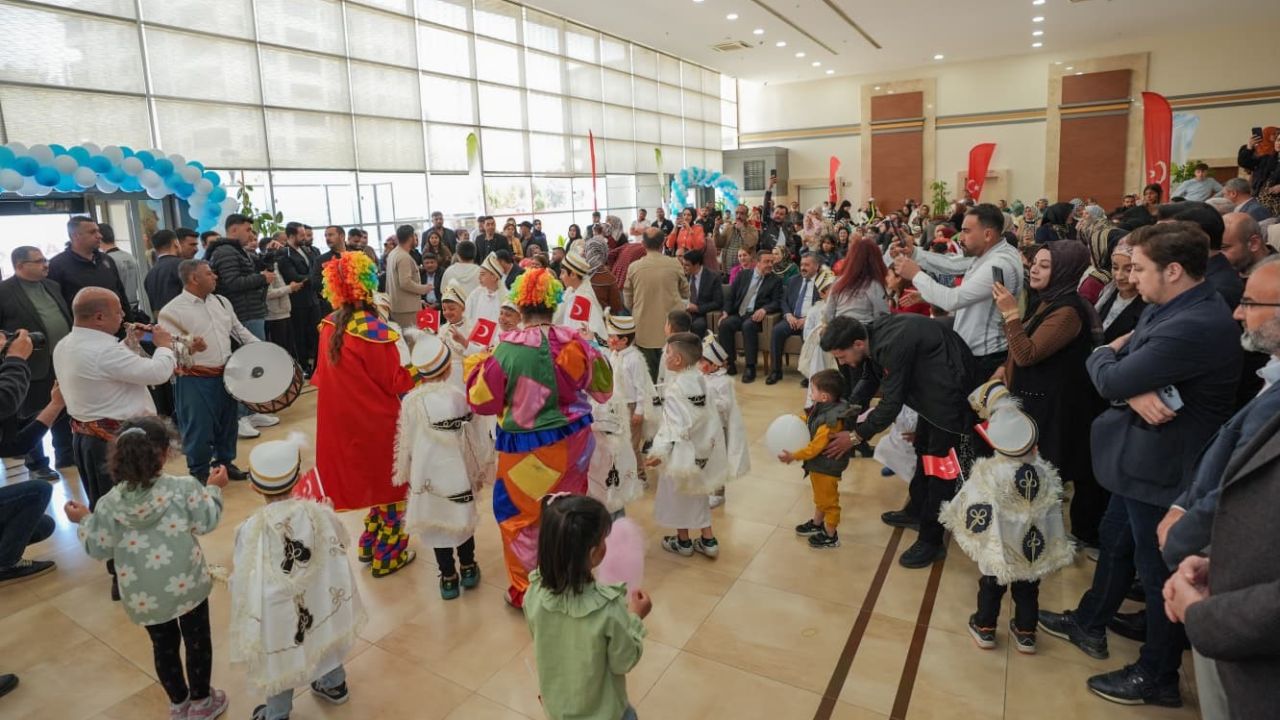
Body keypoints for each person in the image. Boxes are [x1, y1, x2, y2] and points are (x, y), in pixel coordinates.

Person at [1038, 222, 1242, 708]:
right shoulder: (1169, 306)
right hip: (1138, 461)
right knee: (1115, 542)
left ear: (1174, 270)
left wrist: (1112, 361)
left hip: (1162, 468)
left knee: (1156, 572)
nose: (1132, 276)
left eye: (1141, 268)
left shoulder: (1192, 324)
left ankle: (1158, 674)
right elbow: (1127, 363)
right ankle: (1091, 620)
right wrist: (1129, 377)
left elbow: (1107, 372)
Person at [1156, 256, 1280, 719]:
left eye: (1251, 302)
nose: (1237, 312)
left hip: (1244, 633)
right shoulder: (1271, 376)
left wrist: (1207, 614)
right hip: (1224, 579)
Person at [63, 416, 229, 720]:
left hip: (145, 594)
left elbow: (99, 547)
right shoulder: (183, 488)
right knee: (197, 641)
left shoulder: (109, 504)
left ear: (119, 457)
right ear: (165, 454)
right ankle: (203, 702)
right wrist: (214, 490)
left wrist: (84, 520)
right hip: (189, 584)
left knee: (163, 647)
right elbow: (206, 521)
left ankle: (179, 704)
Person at [465, 268, 613, 608]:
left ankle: (528, 590)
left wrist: (475, 362)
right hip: (574, 444)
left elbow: (481, 398)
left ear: (519, 305)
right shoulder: (574, 341)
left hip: (526, 451)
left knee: (520, 517)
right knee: (569, 512)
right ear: (553, 303)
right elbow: (604, 387)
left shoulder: (507, 350)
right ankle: (573, 577)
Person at [820, 314, 977, 568]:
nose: (843, 363)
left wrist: (856, 436)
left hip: (948, 398)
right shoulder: (871, 335)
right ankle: (915, 510)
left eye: (841, 356)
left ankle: (931, 541)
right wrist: (849, 411)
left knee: (939, 471)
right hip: (930, 395)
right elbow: (869, 378)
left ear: (858, 344)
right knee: (922, 451)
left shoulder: (891, 344)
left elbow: (890, 403)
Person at [54, 287, 177, 599]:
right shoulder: (103, 351)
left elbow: (107, 373)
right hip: (114, 443)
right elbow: (158, 373)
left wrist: (128, 344)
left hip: (86, 438)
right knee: (130, 508)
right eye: (118, 312)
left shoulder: (66, 344)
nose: (124, 317)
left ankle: (118, 574)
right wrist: (163, 346)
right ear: (98, 317)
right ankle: (134, 573)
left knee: (104, 505)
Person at [231, 434, 362, 720]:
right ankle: (334, 684)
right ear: (299, 477)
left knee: (281, 656)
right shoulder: (317, 513)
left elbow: (244, 574)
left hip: (278, 611)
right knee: (324, 634)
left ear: (253, 486)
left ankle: (277, 712)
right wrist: (327, 510)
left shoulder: (250, 529)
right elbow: (342, 541)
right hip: (318, 596)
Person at [940, 380, 1074, 654]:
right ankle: (1026, 633)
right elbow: (1053, 512)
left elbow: (969, 505)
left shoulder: (989, 472)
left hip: (1001, 546)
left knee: (992, 585)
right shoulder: (1045, 473)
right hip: (1031, 547)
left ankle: (985, 627)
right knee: (1028, 589)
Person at [313, 252, 422, 578]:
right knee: (392, 487)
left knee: (374, 484)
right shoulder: (374, 331)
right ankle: (388, 556)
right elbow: (396, 381)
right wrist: (426, 367)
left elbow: (321, 375)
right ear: (368, 284)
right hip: (377, 422)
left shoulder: (329, 324)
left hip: (343, 422)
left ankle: (369, 543)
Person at [992, 241, 1104, 548]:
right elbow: (1022, 346)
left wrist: (1011, 315)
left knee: (1045, 476)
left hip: (1054, 407)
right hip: (1037, 400)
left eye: (1045, 265)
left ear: (1066, 270)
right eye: (1034, 263)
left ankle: (1040, 544)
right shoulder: (1047, 299)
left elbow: (1028, 353)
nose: (1034, 269)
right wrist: (1004, 369)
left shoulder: (1067, 310)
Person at [523, 494, 650, 720]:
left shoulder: (533, 593)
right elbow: (623, 661)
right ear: (593, 553)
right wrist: (635, 617)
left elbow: (544, 640)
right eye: (603, 539)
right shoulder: (607, 609)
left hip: (559, 709)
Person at [393, 334, 485, 600]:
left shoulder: (409, 400)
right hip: (455, 472)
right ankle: (468, 567)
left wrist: (406, 471)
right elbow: (472, 434)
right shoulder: (457, 396)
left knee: (435, 523)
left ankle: (447, 577)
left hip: (426, 474)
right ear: (447, 369)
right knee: (462, 520)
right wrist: (477, 470)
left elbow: (405, 441)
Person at [156, 260, 259, 484]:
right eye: (209, 273)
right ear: (194, 279)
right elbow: (167, 347)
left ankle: (224, 463)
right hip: (195, 378)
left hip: (227, 374)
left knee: (228, 422)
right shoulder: (171, 311)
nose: (215, 277)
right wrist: (189, 347)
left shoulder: (222, 301)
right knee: (198, 426)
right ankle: (199, 472)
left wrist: (263, 349)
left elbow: (238, 330)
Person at [893, 203, 1024, 379]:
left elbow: (953, 299)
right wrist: (915, 253)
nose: (960, 237)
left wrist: (916, 275)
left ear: (987, 234)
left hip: (985, 356)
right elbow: (952, 264)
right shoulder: (992, 252)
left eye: (966, 231)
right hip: (976, 351)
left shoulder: (998, 263)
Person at [647, 332, 727, 559]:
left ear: (678, 360)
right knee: (699, 493)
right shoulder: (701, 379)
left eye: (668, 352)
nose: (665, 356)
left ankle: (683, 542)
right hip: (702, 451)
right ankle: (708, 539)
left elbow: (674, 428)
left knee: (679, 495)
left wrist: (659, 452)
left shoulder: (675, 390)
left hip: (681, 456)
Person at [0, 246, 73, 479]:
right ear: (20, 266)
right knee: (31, 413)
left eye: (45, 259)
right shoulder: (4, 291)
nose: (45, 264)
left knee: (61, 405)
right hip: (27, 365)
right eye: (39, 261)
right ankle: (37, 463)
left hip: (61, 359)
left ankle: (66, 455)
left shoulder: (52, 285)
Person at [781, 369, 853, 549]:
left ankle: (830, 535)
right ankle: (816, 523)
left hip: (827, 467)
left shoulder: (831, 422)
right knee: (821, 497)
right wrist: (797, 419)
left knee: (829, 502)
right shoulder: (824, 408)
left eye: (812, 390)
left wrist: (794, 456)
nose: (810, 393)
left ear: (824, 397)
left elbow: (815, 448)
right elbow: (811, 418)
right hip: (820, 466)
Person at [624, 228, 690, 380]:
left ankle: (653, 402)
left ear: (643, 244)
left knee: (649, 376)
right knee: (673, 375)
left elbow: (628, 298)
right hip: (672, 329)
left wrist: (638, 309)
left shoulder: (634, 267)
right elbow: (685, 292)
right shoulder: (674, 264)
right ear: (663, 243)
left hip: (643, 329)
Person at [717, 248, 782, 383]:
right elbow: (731, 296)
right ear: (757, 263)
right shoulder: (744, 275)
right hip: (739, 312)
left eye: (771, 261)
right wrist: (725, 312)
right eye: (766, 262)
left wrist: (765, 309)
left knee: (748, 326)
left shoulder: (775, 280)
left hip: (756, 315)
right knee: (724, 324)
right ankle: (730, 363)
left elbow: (777, 301)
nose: (770, 264)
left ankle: (750, 366)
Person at [604, 313, 654, 484]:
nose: (609, 339)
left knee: (632, 445)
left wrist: (639, 411)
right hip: (618, 406)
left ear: (624, 340)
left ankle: (640, 476)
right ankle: (624, 473)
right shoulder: (615, 355)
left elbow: (642, 388)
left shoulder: (635, 359)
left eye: (612, 337)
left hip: (631, 407)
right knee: (619, 443)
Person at [47, 216, 129, 314]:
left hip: (116, 324)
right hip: (83, 326)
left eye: (98, 231)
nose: (99, 236)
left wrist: (130, 321)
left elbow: (120, 293)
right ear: (75, 236)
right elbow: (56, 304)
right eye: (92, 232)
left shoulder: (106, 260)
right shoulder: (57, 265)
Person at [766, 253, 821, 385]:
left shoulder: (821, 283)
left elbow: (822, 305)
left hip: (810, 321)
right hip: (792, 318)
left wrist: (807, 319)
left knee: (810, 335)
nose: (803, 268)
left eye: (807, 265)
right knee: (777, 331)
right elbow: (783, 301)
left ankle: (809, 374)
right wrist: (788, 315)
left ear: (816, 266)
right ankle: (776, 371)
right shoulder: (793, 280)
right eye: (801, 264)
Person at [277, 222, 321, 374]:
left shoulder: (306, 250)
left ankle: (318, 364)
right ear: (291, 236)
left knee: (317, 333)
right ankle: (302, 366)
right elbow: (293, 277)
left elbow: (315, 269)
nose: (304, 237)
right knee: (300, 336)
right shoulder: (284, 254)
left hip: (313, 299)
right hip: (298, 302)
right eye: (301, 235)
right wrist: (314, 278)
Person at [1094, 240, 1147, 343]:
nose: (1119, 276)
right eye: (1115, 268)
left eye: (1128, 269)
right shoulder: (1106, 294)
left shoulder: (1146, 307)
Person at [383, 224, 430, 330]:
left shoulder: (393, 253)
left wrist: (418, 300)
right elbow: (405, 283)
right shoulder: (404, 257)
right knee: (411, 342)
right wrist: (423, 289)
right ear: (411, 237)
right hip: (406, 310)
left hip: (397, 306)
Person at [144, 229, 198, 319]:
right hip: (185, 323)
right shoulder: (184, 267)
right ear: (176, 243)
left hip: (162, 326)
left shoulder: (150, 274)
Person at [554, 248, 606, 339]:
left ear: (573, 275)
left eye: (563, 273)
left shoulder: (582, 300)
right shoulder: (571, 291)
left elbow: (580, 333)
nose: (560, 277)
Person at [798, 270, 838, 381]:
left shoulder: (840, 307)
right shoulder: (814, 310)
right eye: (832, 290)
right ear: (822, 293)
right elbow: (807, 334)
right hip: (820, 348)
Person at [98, 223, 140, 314]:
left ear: (100, 239)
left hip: (120, 308)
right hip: (134, 305)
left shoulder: (106, 261)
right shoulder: (130, 257)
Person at [681, 249, 723, 338]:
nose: (683, 267)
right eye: (683, 264)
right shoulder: (682, 276)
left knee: (698, 325)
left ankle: (695, 351)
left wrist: (697, 308)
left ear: (696, 265)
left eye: (687, 265)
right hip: (683, 312)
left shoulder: (713, 277)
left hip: (701, 314)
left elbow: (718, 302)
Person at [716, 204, 760, 274]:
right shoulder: (728, 228)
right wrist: (716, 228)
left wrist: (742, 228)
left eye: (742, 213)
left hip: (746, 271)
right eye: (737, 213)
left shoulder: (752, 229)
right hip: (728, 270)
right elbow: (718, 244)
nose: (738, 216)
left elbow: (751, 242)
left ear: (747, 216)